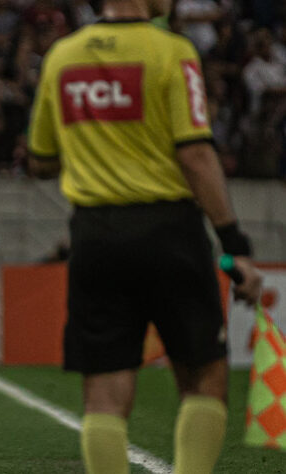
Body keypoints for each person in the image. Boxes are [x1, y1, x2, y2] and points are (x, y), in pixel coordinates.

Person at [27, 1, 263, 473]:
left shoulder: (63, 56)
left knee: (104, 395)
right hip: (168, 231)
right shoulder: (171, 51)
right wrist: (233, 243)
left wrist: (97, 144)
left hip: (94, 235)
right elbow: (195, 153)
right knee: (203, 378)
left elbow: (41, 158)